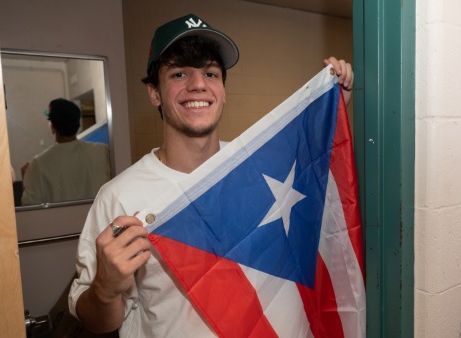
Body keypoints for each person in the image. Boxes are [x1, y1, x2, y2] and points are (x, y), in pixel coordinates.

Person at [68, 13, 353, 336]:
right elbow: (96, 320)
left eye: (211, 73)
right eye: (179, 73)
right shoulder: (120, 196)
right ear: (155, 94)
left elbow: (319, 200)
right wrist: (105, 289)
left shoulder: (260, 170)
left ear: (223, 90)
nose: (198, 84)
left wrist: (332, 109)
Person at [21, 98, 111, 205]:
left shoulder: (38, 165)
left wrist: (26, 178)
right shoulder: (103, 152)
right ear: (78, 124)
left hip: (59, 222)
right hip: (99, 221)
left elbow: (30, 207)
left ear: (53, 126)